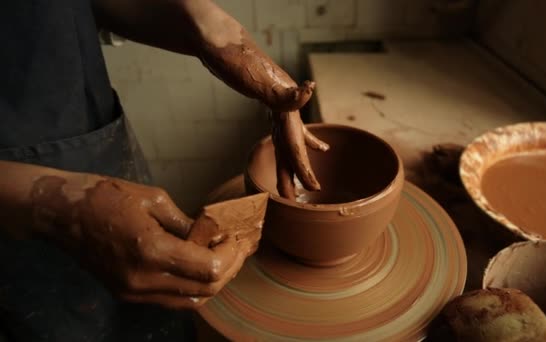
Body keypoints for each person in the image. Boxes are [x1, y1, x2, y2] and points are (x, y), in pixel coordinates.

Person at [0, 0, 326, 340]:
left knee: (153, 314)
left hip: (91, 143)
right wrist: (54, 205)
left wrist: (212, 30)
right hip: (13, 220)